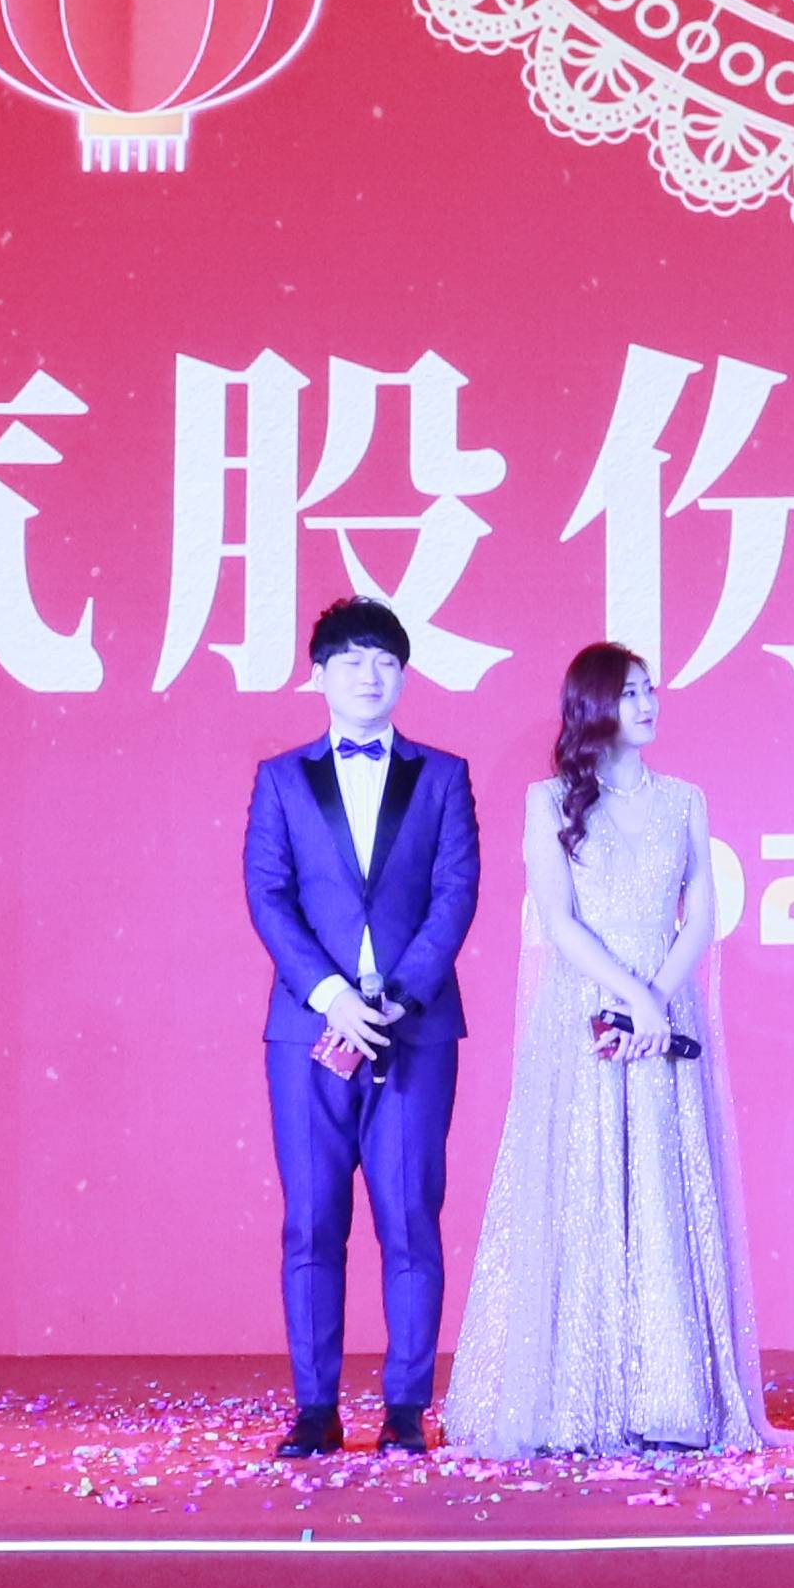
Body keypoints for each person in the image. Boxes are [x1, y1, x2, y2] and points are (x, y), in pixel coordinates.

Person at [441, 642, 768, 1457]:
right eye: (628, 693)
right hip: (588, 1010)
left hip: (664, 1007)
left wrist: (659, 996)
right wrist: (634, 996)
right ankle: (578, 1398)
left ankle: (672, 1396)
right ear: (592, 704)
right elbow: (558, 922)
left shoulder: (685, 799)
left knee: (661, 1184)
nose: (648, 704)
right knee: (585, 1185)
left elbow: (699, 916)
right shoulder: (548, 800)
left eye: (650, 689)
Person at [241, 597, 479, 1455]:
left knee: (410, 1215)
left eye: (385, 660)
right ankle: (316, 1408)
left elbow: (455, 893)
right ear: (318, 676)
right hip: (308, 1033)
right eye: (351, 660)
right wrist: (332, 996)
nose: (370, 675)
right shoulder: (281, 779)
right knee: (311, 1220)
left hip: (414, 1028)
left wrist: (397, 996)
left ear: (404, 675)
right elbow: (268, 895)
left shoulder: (443, 775)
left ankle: (407, 1407)